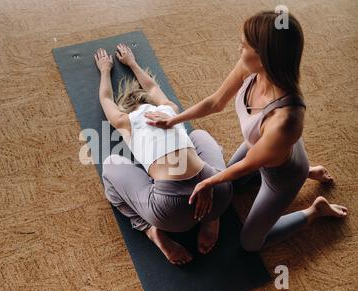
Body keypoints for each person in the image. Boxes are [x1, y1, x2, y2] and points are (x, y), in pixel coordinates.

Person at [144, 11, 348, 252]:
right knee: (231, 189)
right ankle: (312, 171)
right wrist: (173, 120)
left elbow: (249, 163)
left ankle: (314, 210)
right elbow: (215, 102)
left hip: (281, 177)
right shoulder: (249, 67)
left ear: (264, 56)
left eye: (243, 46)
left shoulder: (286, 120)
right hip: (262, 147)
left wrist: (207, 183)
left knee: (250, 243)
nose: (239, 50)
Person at [95, 44, 232, 265]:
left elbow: (106, 99)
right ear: (149, 103)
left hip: (169, 214)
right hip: (219, 193)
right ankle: (212, 218)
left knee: (111, 165)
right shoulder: (169, 109)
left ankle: (151, 231)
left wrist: (104, 70)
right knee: (199, 135)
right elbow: (151, 86)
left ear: (126, 110)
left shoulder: (125, 122)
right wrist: (132, 62)